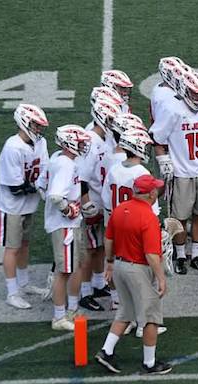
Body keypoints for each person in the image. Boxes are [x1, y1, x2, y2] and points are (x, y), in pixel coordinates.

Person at [95, 175, 172, 375]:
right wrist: (161, 278)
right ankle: (149, 363)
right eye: (155, 189)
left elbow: (108, 239)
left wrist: (110, 263)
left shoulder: (120, 209)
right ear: (151, 194)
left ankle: (106, 350)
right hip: (137, 269)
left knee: (126, 311)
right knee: (151, 317)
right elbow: (151, 255)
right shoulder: (148, 217)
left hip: (119, 266)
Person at [152, 70, 198, 274]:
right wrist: (164, 160)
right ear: (184, 90)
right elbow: (157, 138)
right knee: (179, 218)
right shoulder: (172, 109)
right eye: (195, 94)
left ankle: (196, 254)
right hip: (180, 171)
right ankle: (180, 255)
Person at [0, 104, 50, 309]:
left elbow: (45, 171)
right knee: (12, 248)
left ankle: (23, 284)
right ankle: (12, 292)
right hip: (11, 206)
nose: (38, 129)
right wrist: (40, 189)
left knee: (24, 245)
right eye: (35, 125)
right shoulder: (12, 147)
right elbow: (15, 187)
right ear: (24, 122)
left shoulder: (41, 143)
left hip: (28, 206)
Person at [44, 125, 91, 331]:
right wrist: (68, 210)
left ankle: (71, 309)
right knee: (64, 272)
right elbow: (55, 196)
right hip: (64, 226)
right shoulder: (65, 164)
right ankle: (59, 316)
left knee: (77, 266)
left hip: (70, 224)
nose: (83, 146)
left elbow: (41, 184)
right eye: (80, 143)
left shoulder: (60, 159)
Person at [77, 98, 121, 312]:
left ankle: (97, 283)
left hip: (101, 200)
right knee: (89, 249)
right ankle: (84, 292)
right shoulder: (92, 141)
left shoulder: (105, 137)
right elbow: (81, 178)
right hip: (92, 201)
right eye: (111, 118)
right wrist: (86, 204)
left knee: (101, 246)